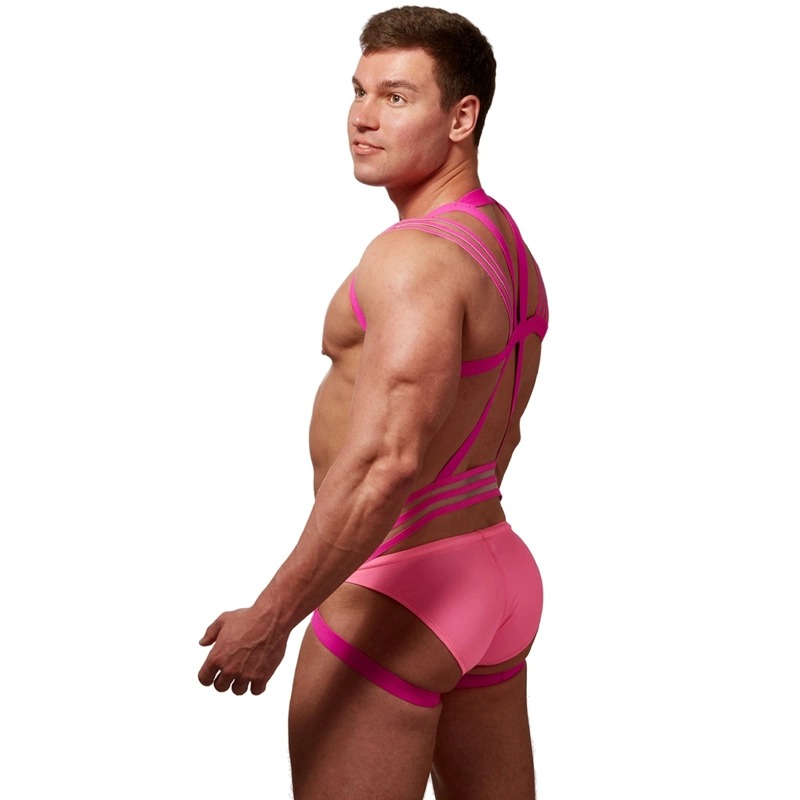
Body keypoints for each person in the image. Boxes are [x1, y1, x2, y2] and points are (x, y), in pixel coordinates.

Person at [198, 6, 549, 799]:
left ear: (462, 117)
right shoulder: (506, 244)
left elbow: (386, 460)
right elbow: (501, 432)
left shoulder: (412, 259)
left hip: (402, 588)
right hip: (493, 569)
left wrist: (272, 616)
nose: (362, 117)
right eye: (359, 91)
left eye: (397, 97)